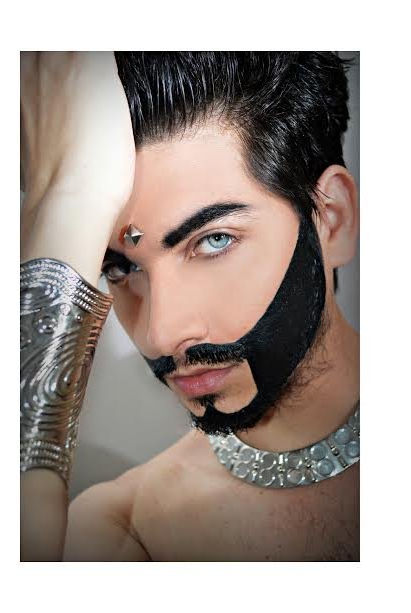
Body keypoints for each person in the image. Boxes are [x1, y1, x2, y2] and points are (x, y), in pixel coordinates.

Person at [20, 51, 359, 562]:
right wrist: (66, 199)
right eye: (120, 268)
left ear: (332, 219)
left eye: (214, 240)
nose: (161, 334)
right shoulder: (129, 532)